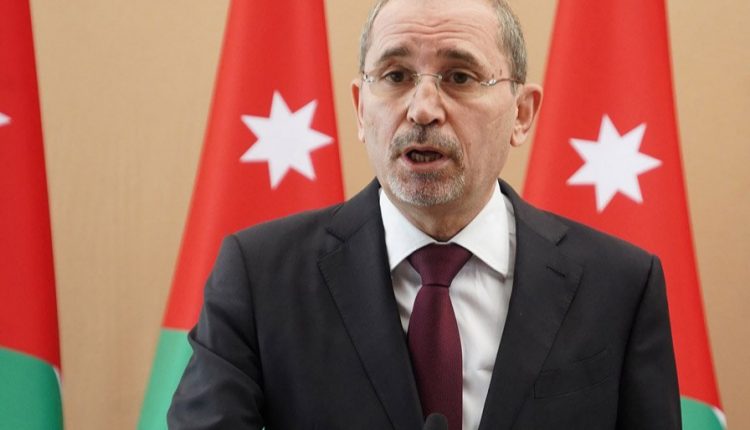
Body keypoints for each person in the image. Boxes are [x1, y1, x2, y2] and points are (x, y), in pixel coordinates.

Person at [168, 0, 681, 428]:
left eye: (459, 76)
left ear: (521, 114)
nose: (422, 109)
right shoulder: (259, 277)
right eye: (395, 76)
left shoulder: (620, 286)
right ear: (361, 109)